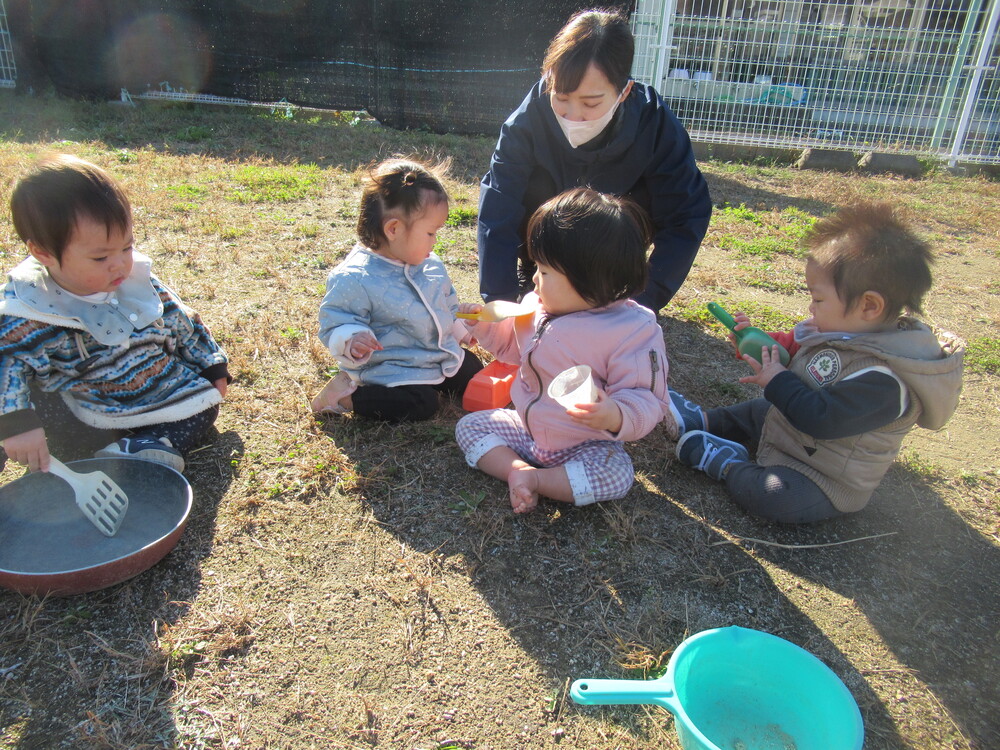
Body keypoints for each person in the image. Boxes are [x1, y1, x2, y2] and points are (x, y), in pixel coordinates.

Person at [669, 202, 964, 523]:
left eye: (818, 299)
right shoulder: (843, 329)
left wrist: (778, 381)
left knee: (776, 498)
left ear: (869, 306)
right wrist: (757, 342)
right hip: (789, 431)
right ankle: (704, 421)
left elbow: (821, 420)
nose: (811, 308)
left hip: (823, 477)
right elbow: (796, 349)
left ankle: (729, 464)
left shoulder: (886, 381)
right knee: (760, 411)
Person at [0, 154, 230, 474]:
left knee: (203, 404)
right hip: (75, 404)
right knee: (15, 413)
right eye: (100, 257)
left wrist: (210, 363)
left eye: (126, 247)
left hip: (147, 388)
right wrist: (16, 423)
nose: (120, 264)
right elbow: (7, 364)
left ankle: (143, 447)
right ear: (43, 253)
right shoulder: (30, 307)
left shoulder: (134, 279)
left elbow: (179, 319)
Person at [477, 8, 711, 313]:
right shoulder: (528, 119)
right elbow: (498, 208)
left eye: (591, 103)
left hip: (610, 255)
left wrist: (641, 303)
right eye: (561, 97)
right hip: (545, 247)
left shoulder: (655, 125)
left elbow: (686, 215)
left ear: (624, 91)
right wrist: (502, 304)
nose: (572, 115)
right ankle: (543, 274)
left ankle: (605, 286)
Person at [456, 188, 674, 514]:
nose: (533, 278)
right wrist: (483, 326)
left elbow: (646, 397)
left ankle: (540, 481)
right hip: (528, 430)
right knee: (470, 427)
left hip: (586, 443)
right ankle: (518, 470)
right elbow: (514, 349)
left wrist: (614, 414)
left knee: (617, 475)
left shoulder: (631, 331)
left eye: (544, 271)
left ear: (591, 279)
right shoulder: (537, 306)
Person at [312, 158, 483, 422]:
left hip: (436, 355)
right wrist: (351, 339)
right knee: (420, 405)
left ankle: (441, 376)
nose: (435, 241)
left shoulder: (430, 263)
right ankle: (344, 397)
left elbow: (445, 302)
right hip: (392, 369)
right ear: (393, 229)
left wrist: (460, 324)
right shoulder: (356, 277)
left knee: (473, 370)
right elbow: (336, 321)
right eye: (430, 233)